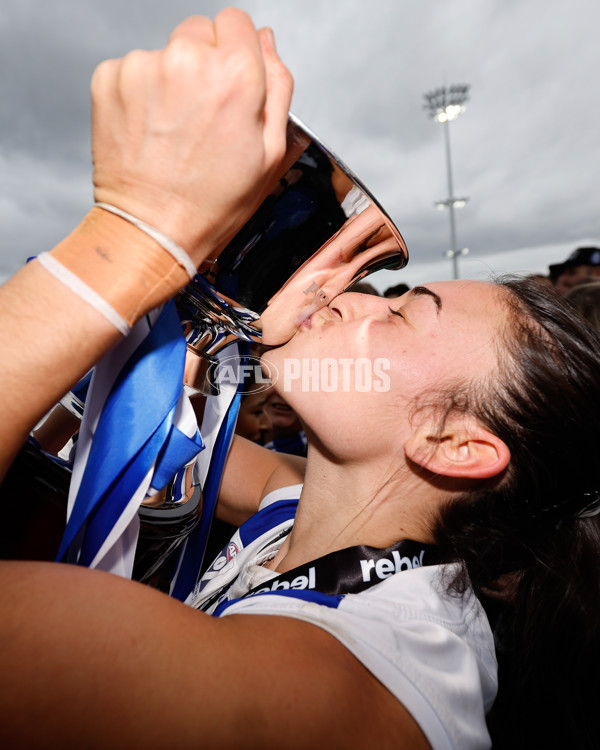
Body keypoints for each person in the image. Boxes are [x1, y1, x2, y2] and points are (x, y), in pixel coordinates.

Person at [1, 10, 600, 750]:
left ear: (452, 444)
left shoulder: (344, 685)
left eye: (403, 316)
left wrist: (133, 236)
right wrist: (209, 294)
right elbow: (152, 422)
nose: (349, 301)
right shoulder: (315, 509)